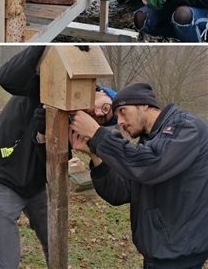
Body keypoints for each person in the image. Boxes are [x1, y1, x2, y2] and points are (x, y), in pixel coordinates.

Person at [0, 46, 117, 269]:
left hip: (36, 187)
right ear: (100, 91)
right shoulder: (50, 82)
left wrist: (44, 135)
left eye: (104, 120)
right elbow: (6, 79)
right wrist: (44, 45)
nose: (100, 114)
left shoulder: (77, 126)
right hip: (2, 178)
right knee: (5, 263)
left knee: (56, 244)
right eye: (105, 107)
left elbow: (52, 165)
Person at [69, 82, 208, 269]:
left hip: (180, 255)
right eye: (116, 116)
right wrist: (94, 154)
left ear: (144, 104)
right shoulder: (148, 143)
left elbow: (150, 165)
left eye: (123, 112)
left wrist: (96, 133)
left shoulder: (185, 126)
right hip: (157, 253)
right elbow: (120, 192)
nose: (119, 122)